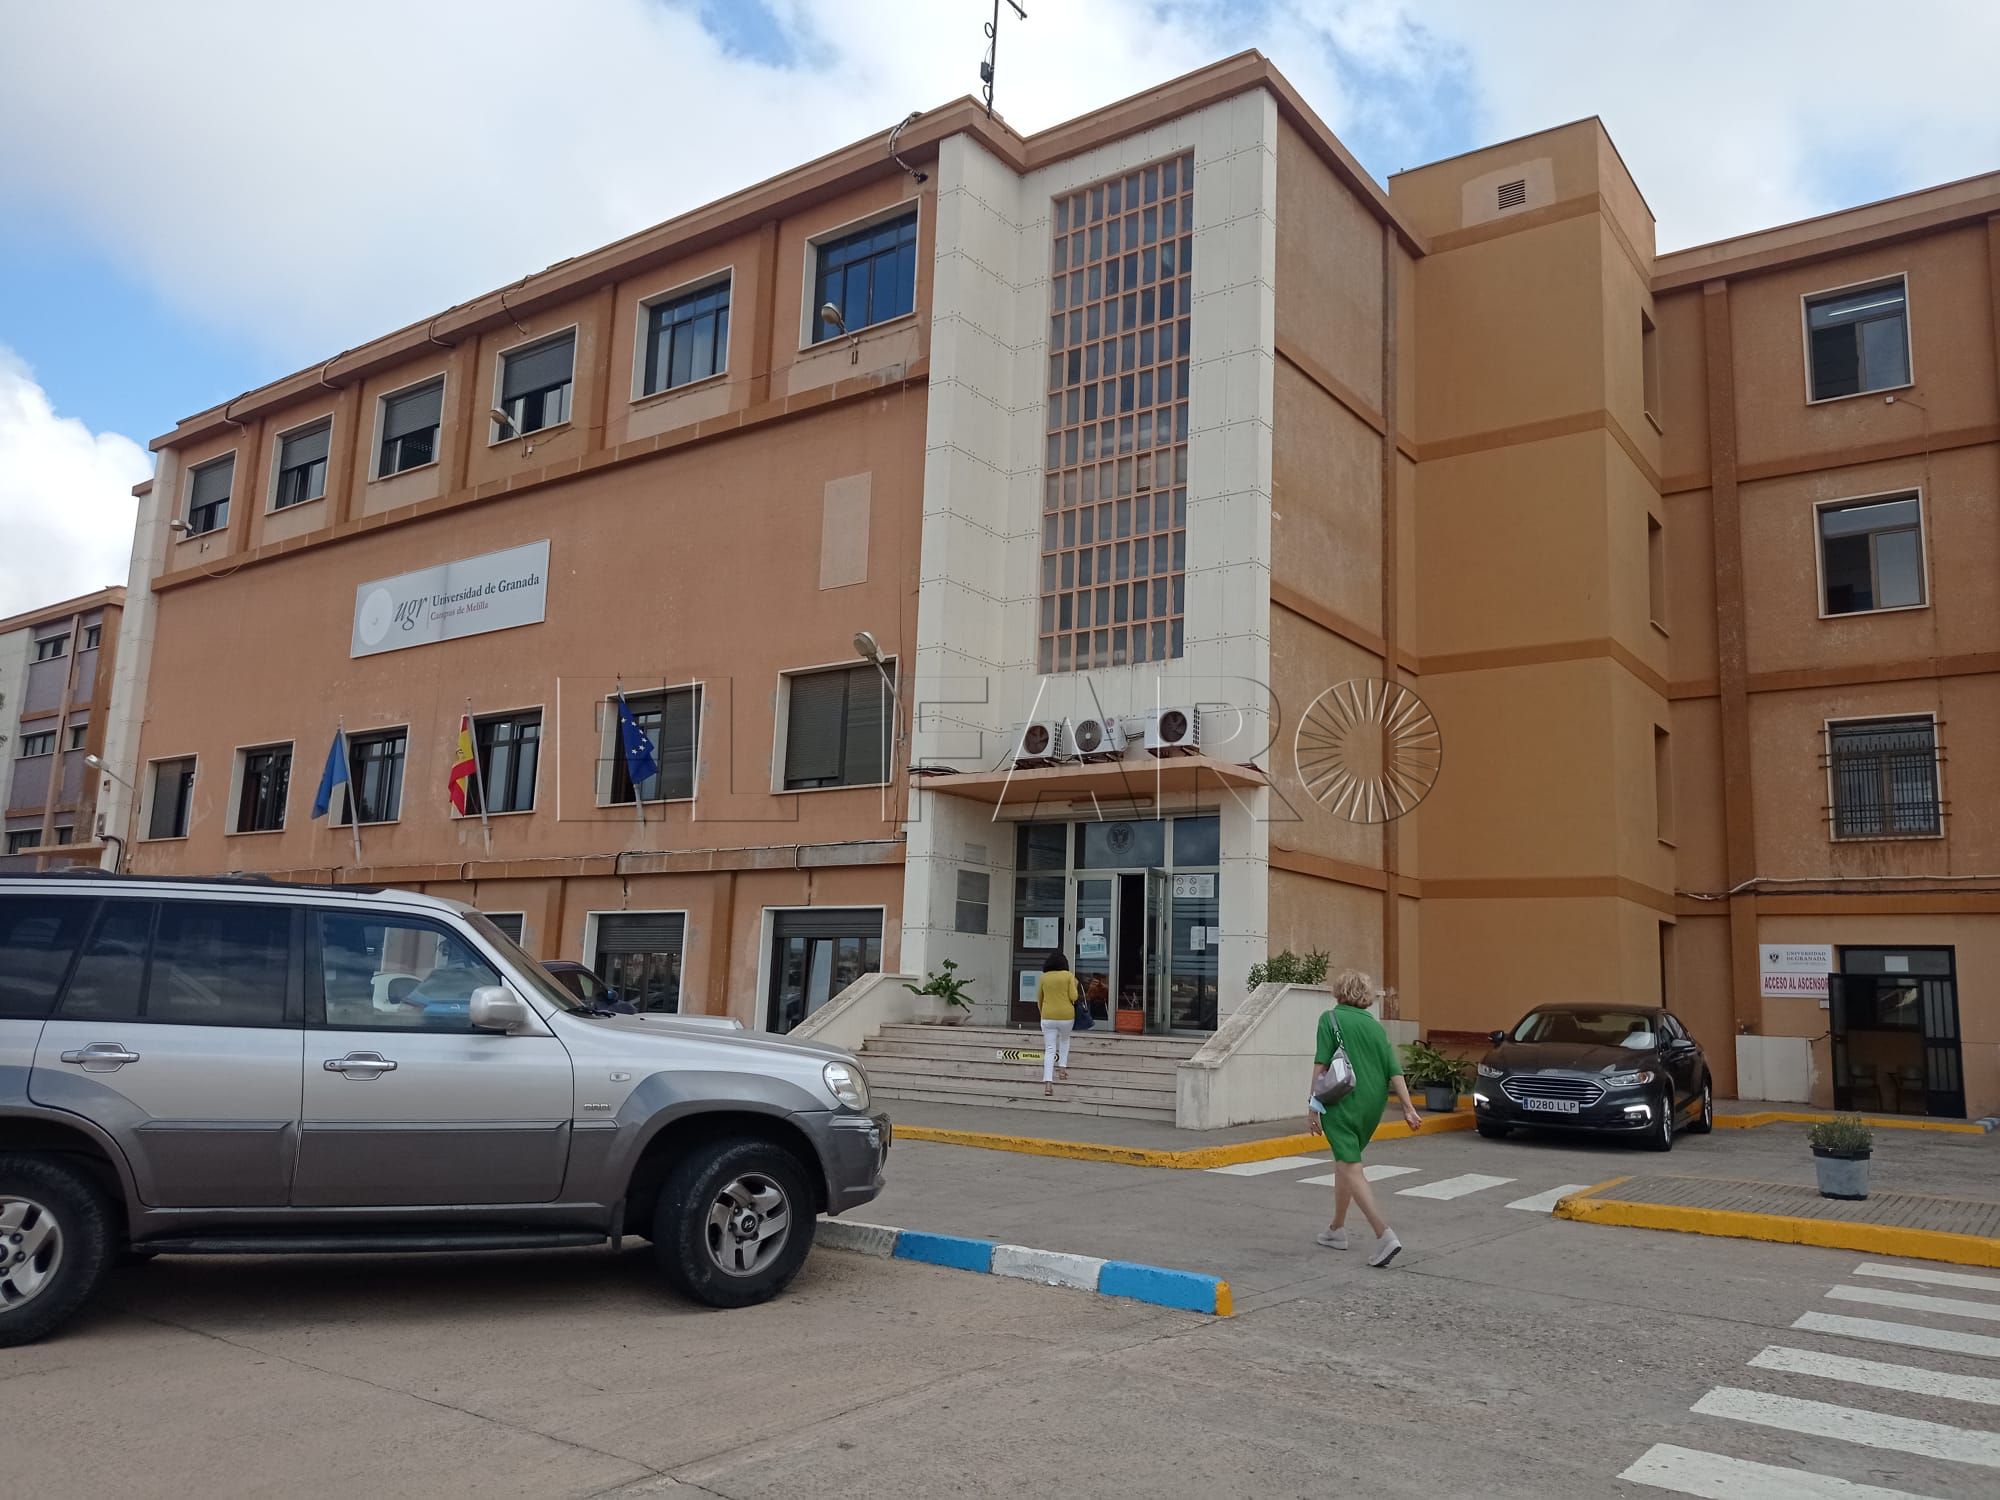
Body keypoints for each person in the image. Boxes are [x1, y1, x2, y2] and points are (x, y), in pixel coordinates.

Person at [1309, 969, 1422, 1267]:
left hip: (1341, 1101)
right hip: (1372, 1106)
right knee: (1345, 1162)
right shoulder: (1375, 1027)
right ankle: (1336, 1229)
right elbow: (1394, 1070)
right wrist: (1408, 1108)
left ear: (1340, 991)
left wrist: (1313, 1105)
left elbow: (1321, 1065)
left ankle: (1384, 1234)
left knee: (1350, 1166)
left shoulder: (1330, 1019)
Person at [1036, 950, 1080, 1097]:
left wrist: (1043, 1013)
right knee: (1064, 1040)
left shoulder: (1044, 977)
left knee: (1049, 1049)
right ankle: (1062, 1069)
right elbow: (1074, 996)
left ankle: (1048, 1085)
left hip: (1047, 1016)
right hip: (1066, 1016)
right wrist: (1075, 984)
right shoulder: (1068, 976)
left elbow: (1039, 999)